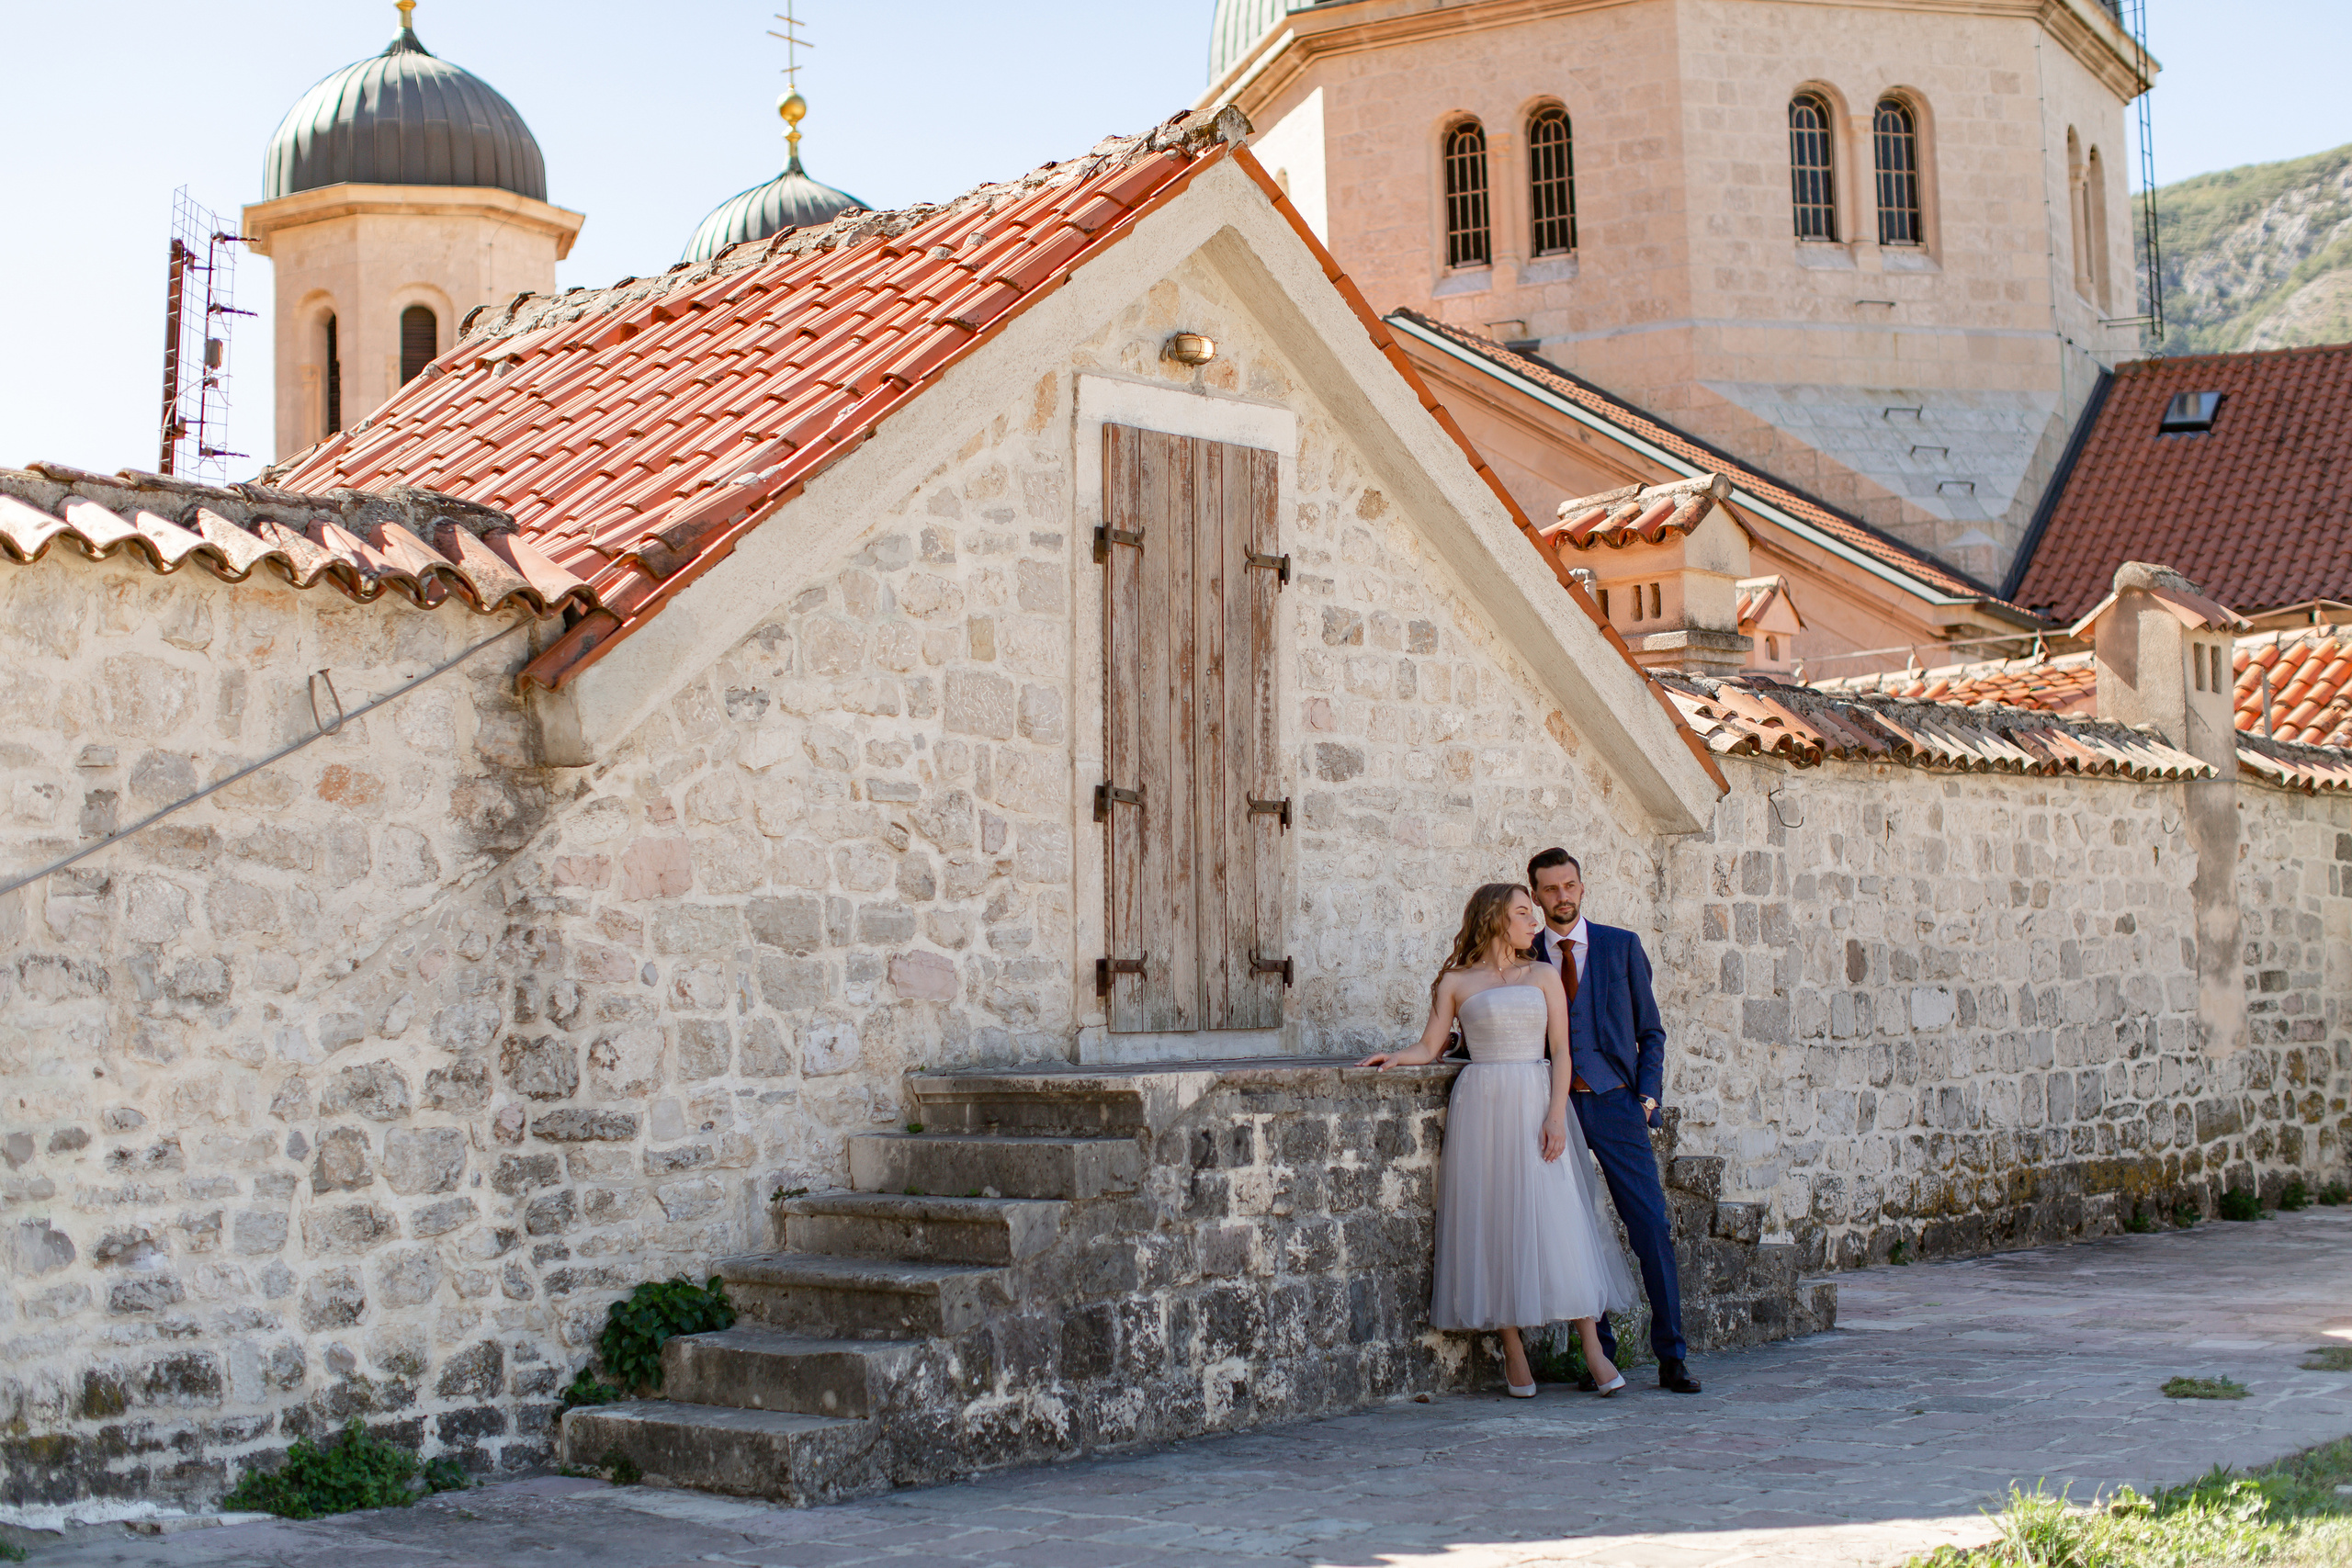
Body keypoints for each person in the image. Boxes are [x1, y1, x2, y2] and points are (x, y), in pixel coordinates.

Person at [1361, 882, 1637, 1397]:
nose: (1534, 923)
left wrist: (1557, 1115)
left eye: (1533, 914)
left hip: (1534, 1097)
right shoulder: (1456, 981)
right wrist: (1396, 1057)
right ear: (1494, 919)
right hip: (1482, 1105)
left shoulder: (1544, 974)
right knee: (1492, 1217)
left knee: (1558, 1217)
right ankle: (1513, 1350)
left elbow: (1562, 1050)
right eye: (1522, 913)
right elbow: (1430, 1044)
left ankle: (1593, 1349)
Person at [1527, 847, 1702, 1394]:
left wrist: (1646, 1099)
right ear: (1534, 895)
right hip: (1552, 1108)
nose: (1562, 897)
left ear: (1583, 887)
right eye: (1551, 889)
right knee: (1578, 1230)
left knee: (1650, 1224)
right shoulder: (1523, 953)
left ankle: (1672, 1354)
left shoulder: (1621, 947)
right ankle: (1599, 1355)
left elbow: (1651, 1032)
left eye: (1570, 886)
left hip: (1616, 1103)